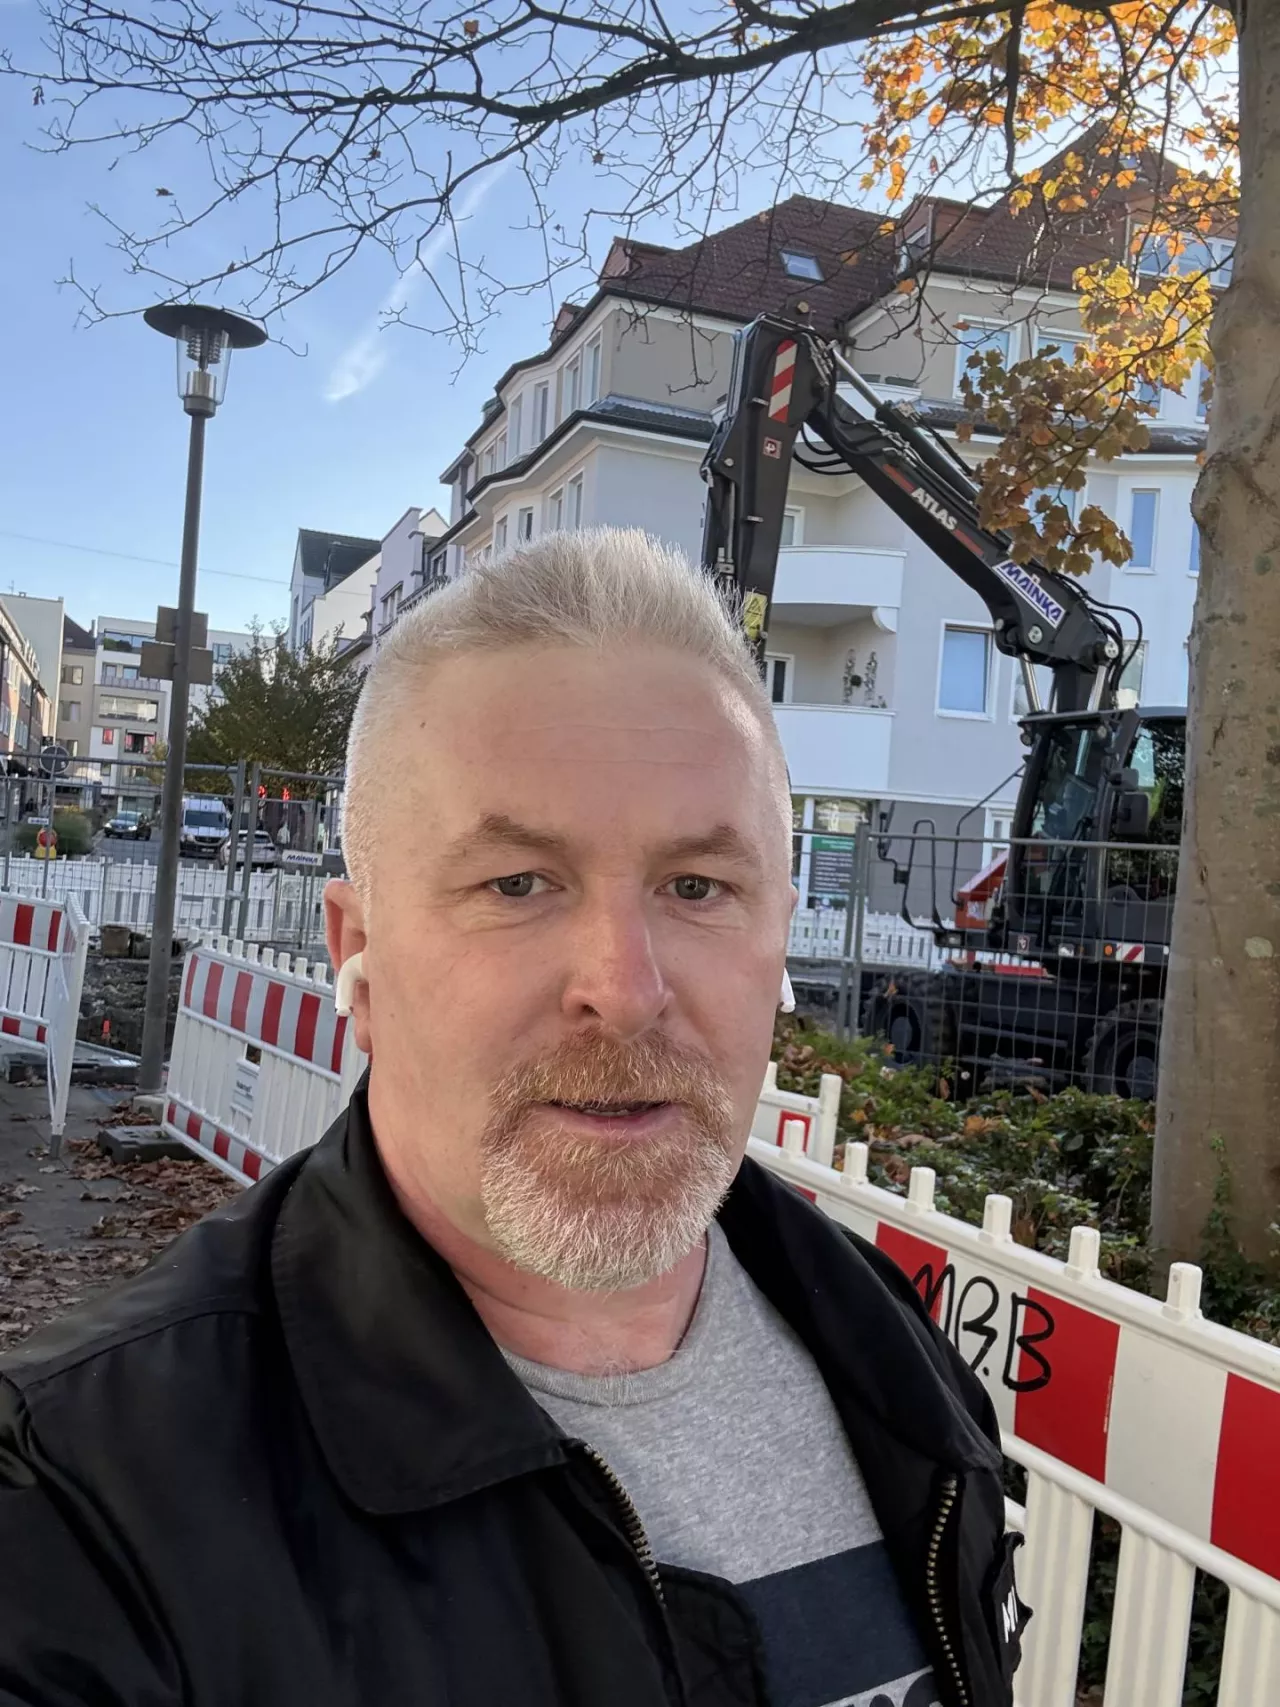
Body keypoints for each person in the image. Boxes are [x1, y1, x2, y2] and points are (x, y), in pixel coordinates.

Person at [0, 530, 1027, 1707]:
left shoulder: (887, 1344)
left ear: (775, 934)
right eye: (517, 884)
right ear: (359, 955)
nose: (623, 988)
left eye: (697, 887)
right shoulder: (81, 1506)